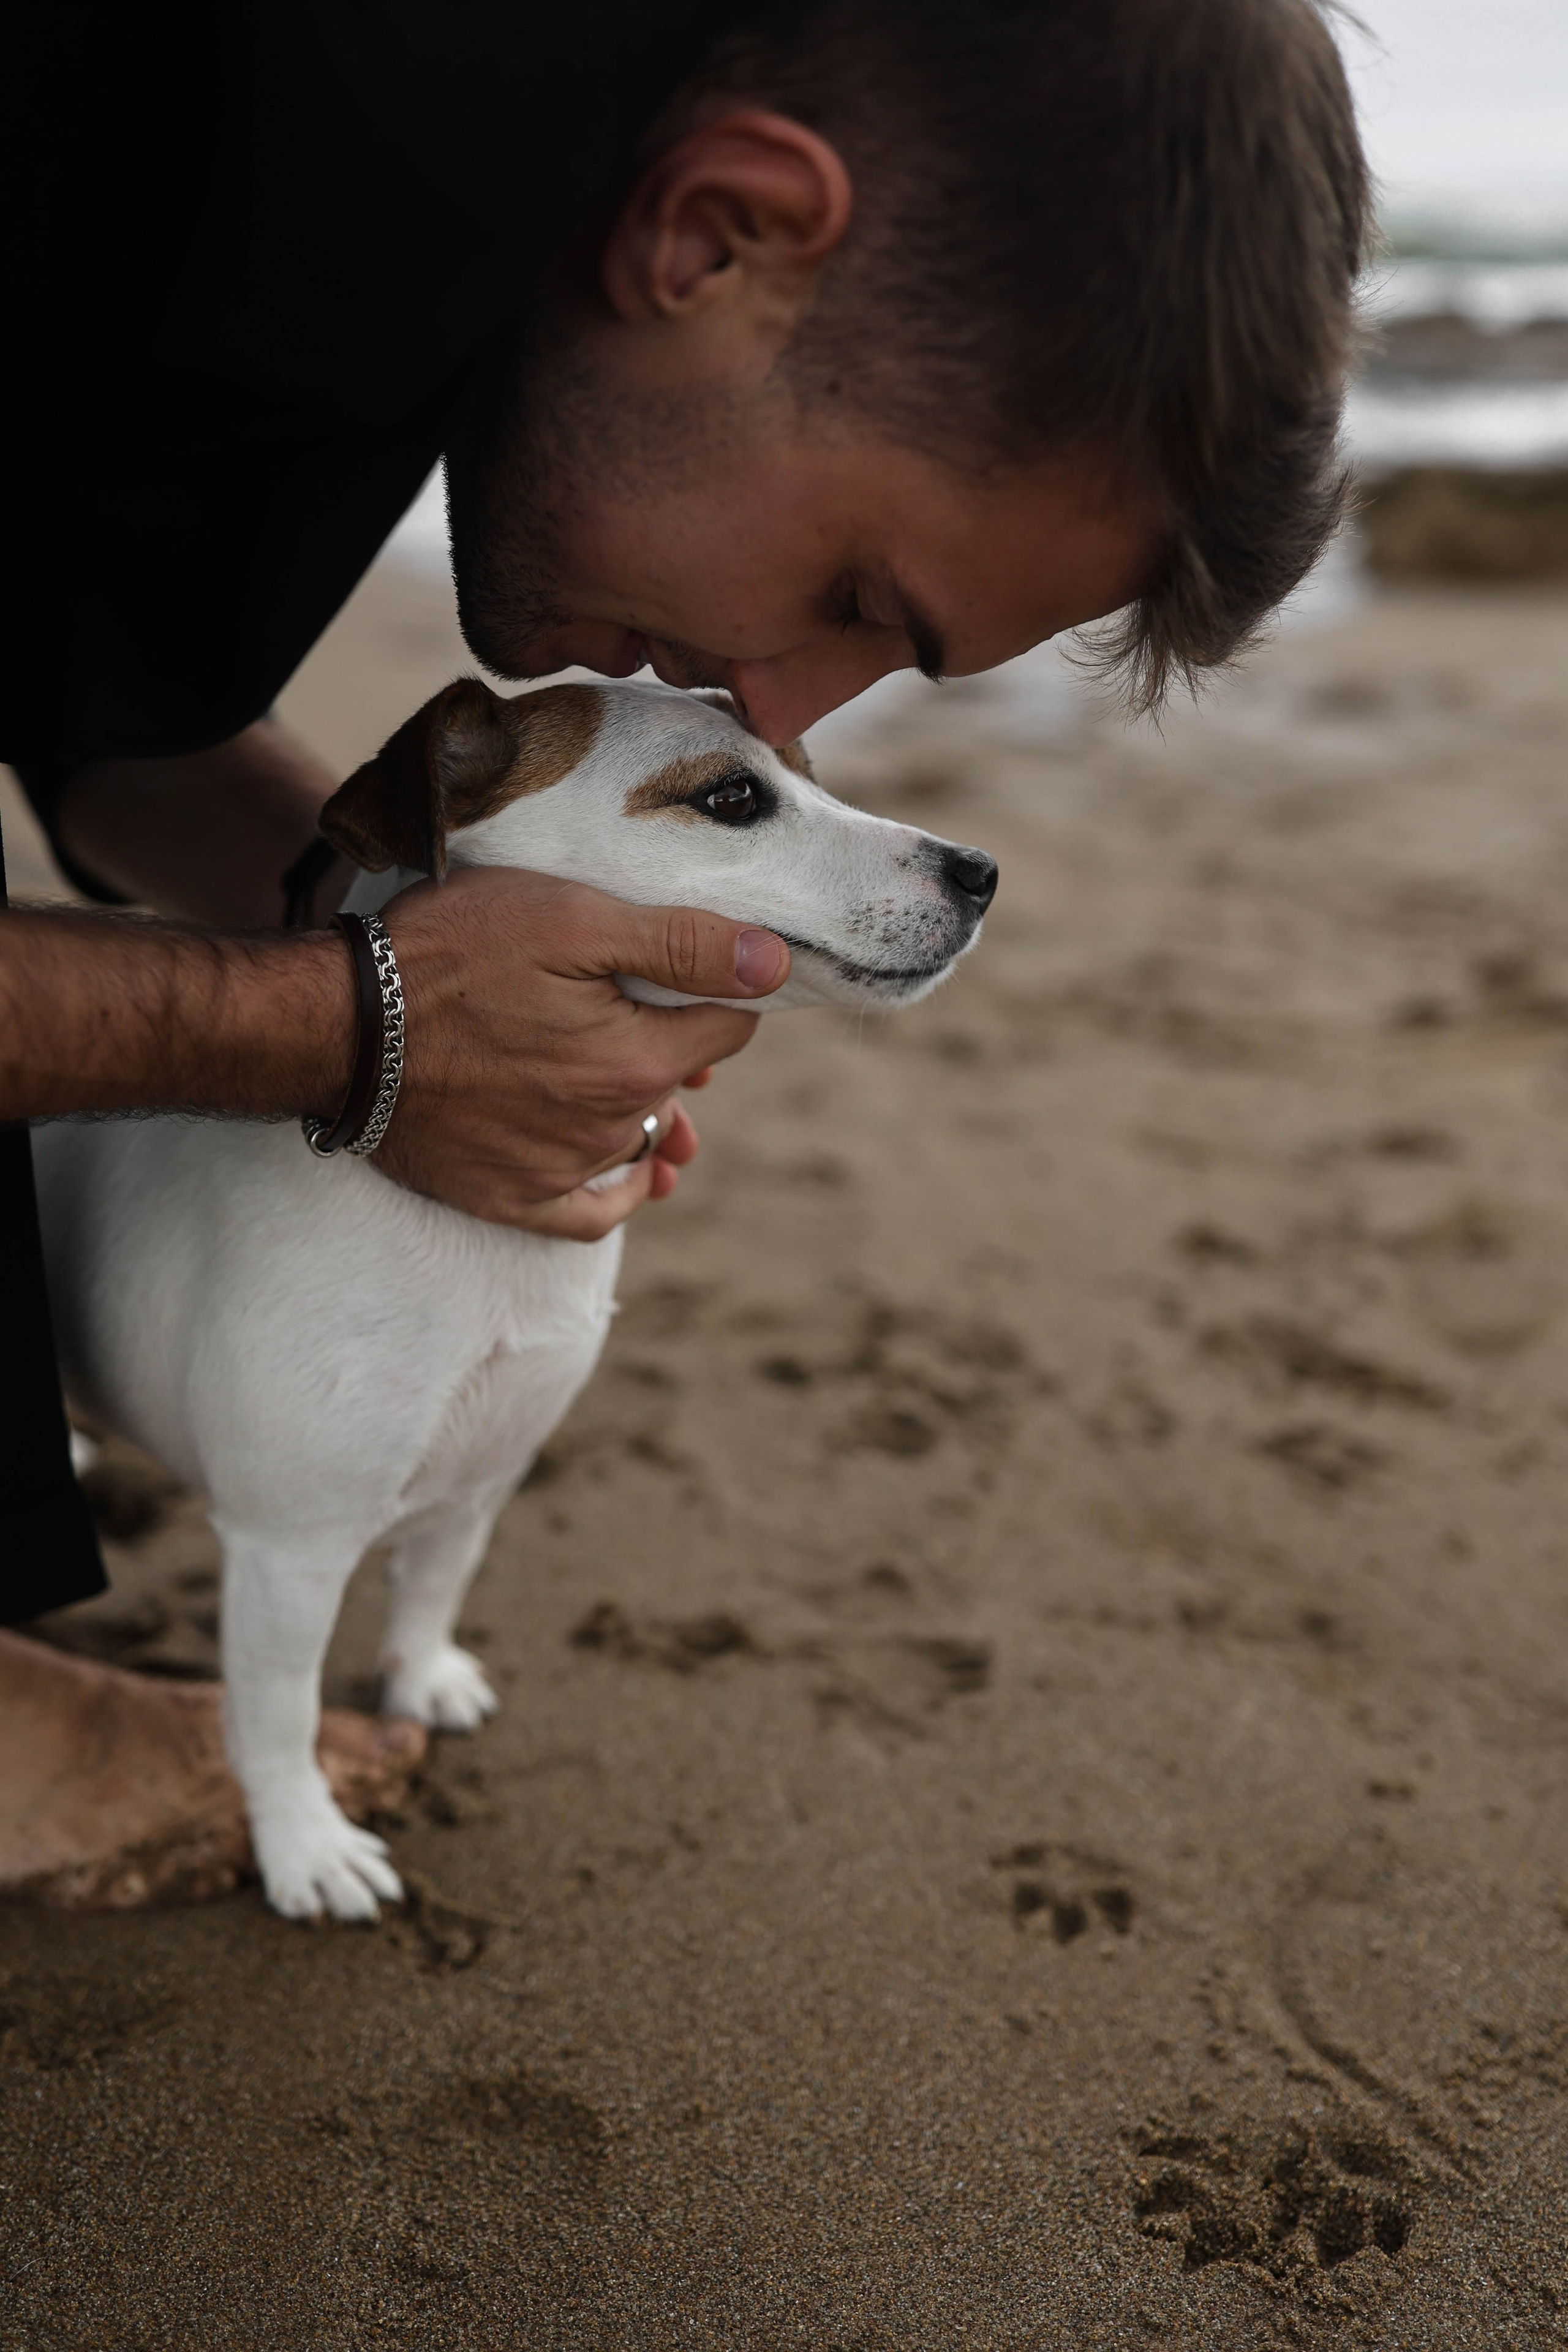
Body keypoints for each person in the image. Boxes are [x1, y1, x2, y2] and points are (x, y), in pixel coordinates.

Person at [0, 0, 1369, 1898]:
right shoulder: (114, 122)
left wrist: (377, 920)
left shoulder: (436, 245)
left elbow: (97, 695)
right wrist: (349, 1026)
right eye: (855, 598)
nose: (778, 706)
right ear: (715, 237)